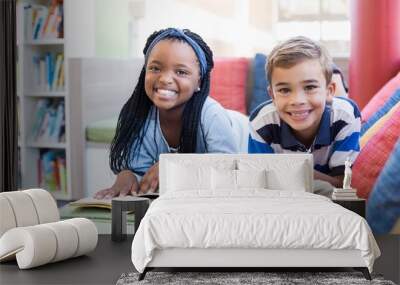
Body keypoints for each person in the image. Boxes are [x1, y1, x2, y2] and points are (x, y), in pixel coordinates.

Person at [94, 28, 239, 199]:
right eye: (155, 68)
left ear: (199, 81)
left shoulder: (213, 116)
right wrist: (129, 175)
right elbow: (144, 175)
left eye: (181, 72)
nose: (165, 79)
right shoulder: (141, 118)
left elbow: (228, 171)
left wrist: (173, 166)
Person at [248, 36, 361, 188]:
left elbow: (343, 186)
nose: (297, 100)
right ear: (272, 96)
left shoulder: (346, 117)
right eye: (284, 90)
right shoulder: (261, 124)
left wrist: (292, 170)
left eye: (309, 87)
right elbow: (259, 184)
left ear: (329, 91)